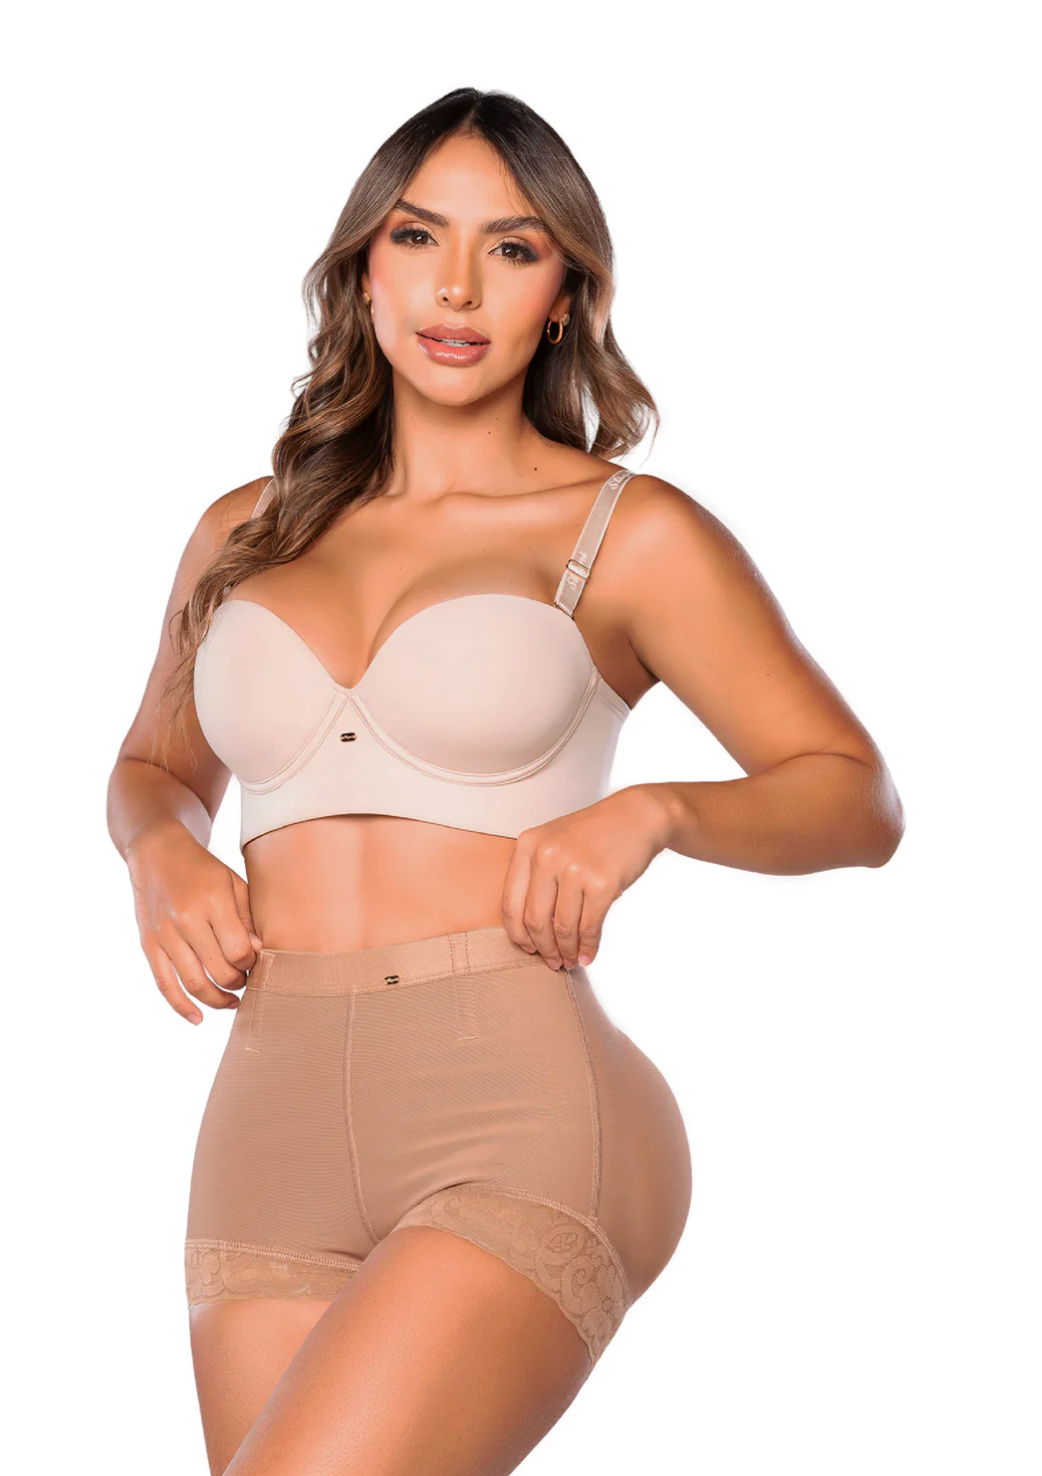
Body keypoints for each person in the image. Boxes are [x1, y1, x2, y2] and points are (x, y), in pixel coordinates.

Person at [107, 86, 904, 1476]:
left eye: (513, 247)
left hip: (517, 1101)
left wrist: (655, 813)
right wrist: (161, 850)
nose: (457, 286)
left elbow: (854, 795)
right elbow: (153, 766)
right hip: (267, 1112)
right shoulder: (244, 529)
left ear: (566, 293)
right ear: (365, 266)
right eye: (418, 236)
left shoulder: (625, 533)